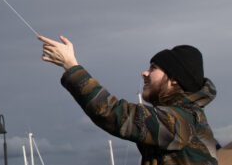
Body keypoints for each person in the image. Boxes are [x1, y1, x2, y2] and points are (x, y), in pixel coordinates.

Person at [39, 35, 218, 165]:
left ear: (174, 79)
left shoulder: (180, 120)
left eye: (153, 68)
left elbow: (113, 113)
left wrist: (71, 66)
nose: (144, 73)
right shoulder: (186, 119)